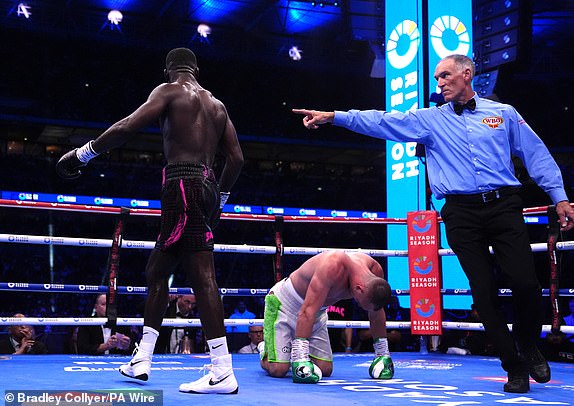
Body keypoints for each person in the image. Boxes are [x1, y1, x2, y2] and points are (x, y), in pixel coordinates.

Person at [293, 53, 574, 393]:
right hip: (461, 212)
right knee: (482, 291)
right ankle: (513, 365)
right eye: (437, 78)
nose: (439, 83)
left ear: (467, 74)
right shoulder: (429, 119)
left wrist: (558, 196)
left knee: (527, 284)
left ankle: (528, 344)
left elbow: (536, 153)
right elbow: (380, 121)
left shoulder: (503, 114)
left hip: (504, 206)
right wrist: (334, 117)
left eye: (444, 76)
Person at [56, 47, 244, 394]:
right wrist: (220, 195)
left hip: (181, 185)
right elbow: (236, 158)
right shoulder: (217, 106)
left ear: (168, 70)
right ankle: (142, 358)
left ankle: (222, 370)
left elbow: (128, 126)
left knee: (202, 276)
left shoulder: (169, 90)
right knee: (157, 271)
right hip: (200, 186)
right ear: (197, 70)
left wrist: (84, 153)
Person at [260, 251, 394, 383]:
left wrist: (383, 354)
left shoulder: (374, 272)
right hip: (285, 304)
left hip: (316, 312)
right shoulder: (332, 265)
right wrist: (300, 359)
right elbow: (307, 311)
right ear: (359, 289)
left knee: (324, 369)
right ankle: (265, 349)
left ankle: (284, 350)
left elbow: (376, 313)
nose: (358, 305)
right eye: (360, 303)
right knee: (279, 369)